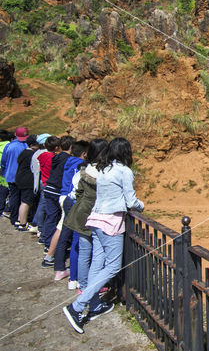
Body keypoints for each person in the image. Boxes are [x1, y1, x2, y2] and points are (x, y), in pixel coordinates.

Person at [63, 138, 144, 334]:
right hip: (110, 223)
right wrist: (142, 206)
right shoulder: (124, 171)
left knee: (97, 263)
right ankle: (77, 307)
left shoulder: (104, 169)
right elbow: (131, 200)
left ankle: (95, 303)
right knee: (113, 267)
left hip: (95, 221)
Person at [63, 138, 108, 293]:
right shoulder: (105, 172)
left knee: (84, 251)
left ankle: (82, 285)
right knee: (98, 252)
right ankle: (95, 284)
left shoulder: (85, 169)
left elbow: (78, 192)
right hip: (98, 214)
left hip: (82, 212)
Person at [51, 140, 89, 282]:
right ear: (84, 154)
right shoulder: (80, 166)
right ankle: (76, 276)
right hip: (72, 201)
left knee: (63, 231)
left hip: (64, 197)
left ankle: (59, 267)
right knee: (75, 238)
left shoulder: (67, 160)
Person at [40, 135, 74, 257]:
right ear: (71, 147)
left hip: (49, 188)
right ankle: (55, 245)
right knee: (59, 219)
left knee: (50, 217)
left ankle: (46, 241)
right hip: (57, 191)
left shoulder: (56, 157)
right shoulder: (69, 160)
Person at [30, 135, 59, 235]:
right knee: (44, 206)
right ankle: (39, 227)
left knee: (42, 204)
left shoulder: (42, 155)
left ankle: (38, 225)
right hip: (48, 183)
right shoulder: (52, 158)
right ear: (56, 147)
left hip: (42, 181)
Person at [0, 127, 29, 225]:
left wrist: (4, 171)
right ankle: (22, 218)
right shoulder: (27, 146)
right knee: (23, 198)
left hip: (11, 175)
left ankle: (13, 217)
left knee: (14, 196)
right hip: (24, 176)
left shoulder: (9, 146)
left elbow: (3, 162)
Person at [14, 135, 40, 230]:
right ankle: (23, 223)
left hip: (20, 178)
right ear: (33, 145)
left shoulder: (24, 152)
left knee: (23, 201)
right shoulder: (31, 155)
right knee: (26, 202)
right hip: (27, 180)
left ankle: (19, 220)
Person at [0, 130, 12, 215]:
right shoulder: (9, 145)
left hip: (2, 168)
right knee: (6, 188)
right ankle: (4, 208)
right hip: (6, 169)